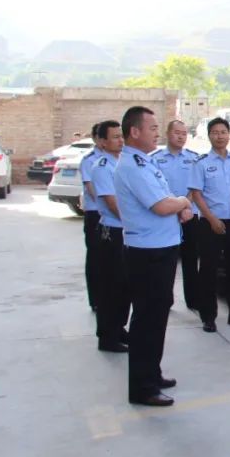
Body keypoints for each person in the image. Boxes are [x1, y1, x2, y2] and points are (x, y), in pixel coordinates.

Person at [114, 105, 194, 407]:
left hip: (161, 248)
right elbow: (161, 206)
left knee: (158, 315)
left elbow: (165, 200)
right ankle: (143, 387)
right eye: (151, 128)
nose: (156, 133)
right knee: (147, 319)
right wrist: (185, 200)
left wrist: (178, 205)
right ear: (134, 132)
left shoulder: (144, 162)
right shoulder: (132, 166)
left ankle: (152, 372)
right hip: (147, 253)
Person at [188, 117, 230, 332]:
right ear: (209, 136)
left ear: (229, 134)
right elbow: (196, 194)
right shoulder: (201, 163)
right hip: (210, 224)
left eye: (223, 132)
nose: (220, 136)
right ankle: (208, 317)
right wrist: (211, 219)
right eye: (215, 132)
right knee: (208, 271)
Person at [90, 120, 131, 353]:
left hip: (126, 231)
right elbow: (113, 203)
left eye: (121, 136)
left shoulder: (123, 163)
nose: (120, 140)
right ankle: (107, 336)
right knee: (111, 286)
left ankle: (119, 327)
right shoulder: (102, 166)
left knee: (125, 285)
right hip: (113, 231)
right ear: (103, 142)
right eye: (114, 137)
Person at [152, 120, 200, 311]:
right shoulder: (155, 158)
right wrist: (175, 207)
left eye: (184, 133)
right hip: (166, 215)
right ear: (168, 134)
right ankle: (165, 298)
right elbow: (156, 188)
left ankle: (193, 299)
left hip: (189, 214)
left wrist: (185, 205)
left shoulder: (194, 158)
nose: (181, 137)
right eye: (177, 133)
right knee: (166, 260)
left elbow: (196, 186)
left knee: (190, 259)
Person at [80, 123, 103, 311]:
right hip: (96, 213)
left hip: (115, 216)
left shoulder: (118, 159)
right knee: (96, 258)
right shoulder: (89, 160)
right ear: (97, 139)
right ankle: (95, 299)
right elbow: (93, 190)